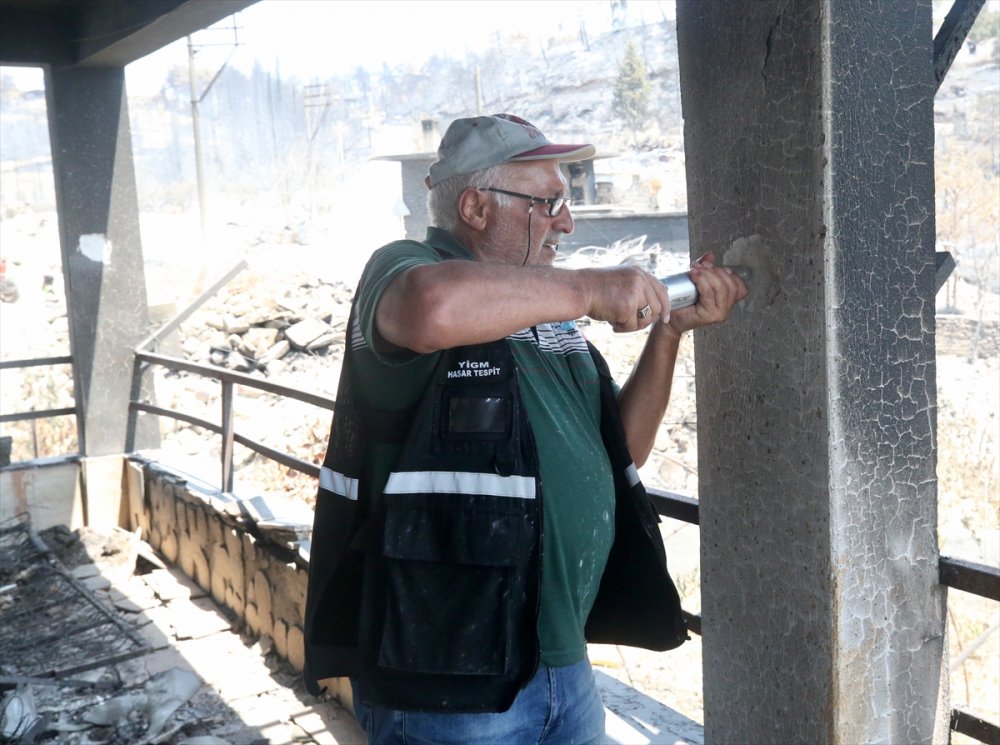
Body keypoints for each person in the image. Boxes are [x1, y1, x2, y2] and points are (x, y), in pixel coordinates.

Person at [304, 113, 747, 745]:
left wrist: (668, 334)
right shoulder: (408, 267)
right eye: (550, 203)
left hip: (561, 665)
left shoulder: (552, 319)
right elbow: (432, 308)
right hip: (446, 677)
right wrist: (591, 288)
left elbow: (622, 450)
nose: (567, 222)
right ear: (475, 207)